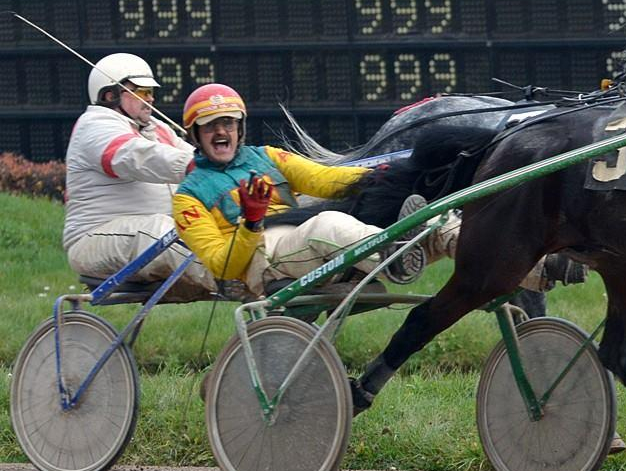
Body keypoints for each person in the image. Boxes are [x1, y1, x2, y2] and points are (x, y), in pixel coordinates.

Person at [172, 83, 428, 298]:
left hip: (301, 243)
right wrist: (251, 222)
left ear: (240, 128)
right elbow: (222, 266)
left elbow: (324, 179)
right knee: (328, 223)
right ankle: (393, 258)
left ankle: (449, 241)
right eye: (209, 125)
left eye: (228, 123)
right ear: (195, 135)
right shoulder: (187, 198)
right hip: (263, 261)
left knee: (423, 208)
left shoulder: (269, 157)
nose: (220, 131)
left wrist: (375, 176)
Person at [63, 53, 215, 299]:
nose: (151, 99)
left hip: (146, 237)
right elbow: (137, 157)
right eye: (142, 92)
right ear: (110, 95)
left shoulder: (158, 129)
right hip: (92, 240)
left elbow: (202, 160)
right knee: (163, 232)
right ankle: (230, 275)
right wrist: (195, 165)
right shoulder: (95, 124)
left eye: (151, 92)